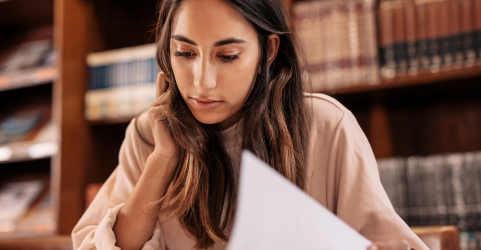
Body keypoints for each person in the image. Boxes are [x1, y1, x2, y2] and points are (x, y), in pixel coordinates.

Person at [72, 0, 429, 249]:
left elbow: (383, 242)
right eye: (184, 53)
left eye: (227, 56)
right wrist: (163, 160)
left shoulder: (326, 126)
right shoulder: (150, 135)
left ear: (268, 51)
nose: (202, 82)